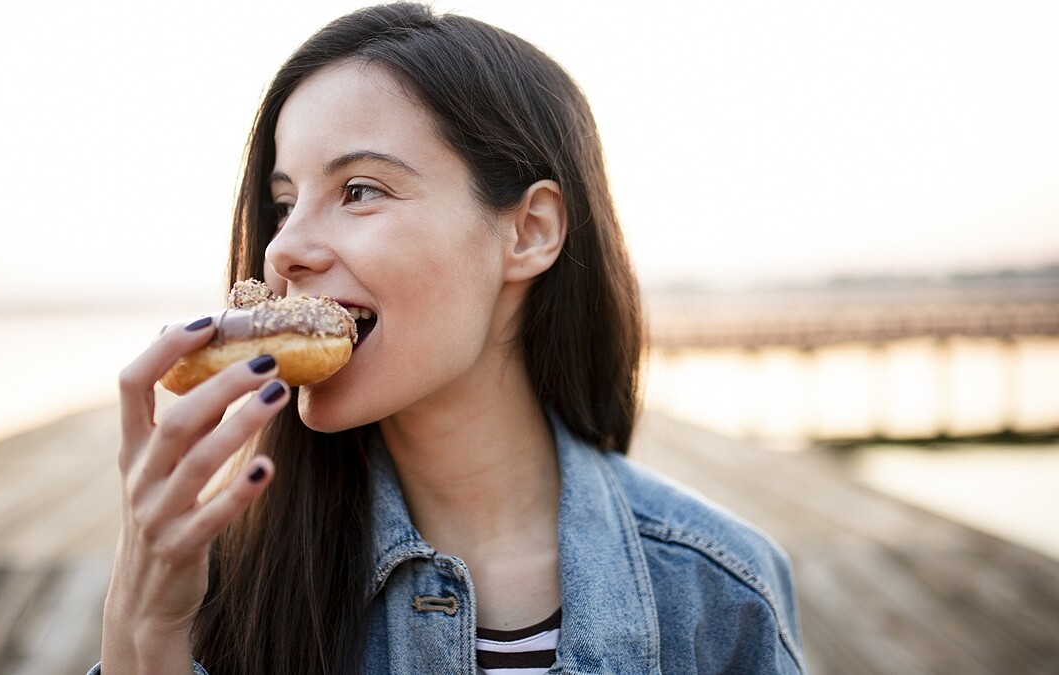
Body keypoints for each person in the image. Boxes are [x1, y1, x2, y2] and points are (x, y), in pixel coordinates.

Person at [93, 3, 804, 674]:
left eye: (359, 190)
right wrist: (146, 632)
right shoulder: (213, 585)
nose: (282, 252)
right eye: (283, 204)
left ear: (529, 231)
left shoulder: (717, 590)